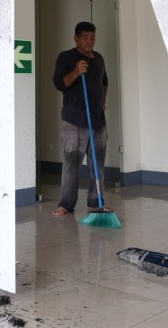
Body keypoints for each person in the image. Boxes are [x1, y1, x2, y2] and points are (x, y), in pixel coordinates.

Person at [51, 21, 109, 218]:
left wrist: (103, 101)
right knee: (71, 164)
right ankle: (66, 204)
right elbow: (59, 84)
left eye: (92, 37)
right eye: (85, 37)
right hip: (74, 121)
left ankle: (96, 202)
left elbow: (104, 82)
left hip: (98, 121)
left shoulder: (99, 58)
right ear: (75, 38)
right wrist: (76, 72)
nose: (90, 41)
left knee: (97, 163)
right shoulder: (66, 57)